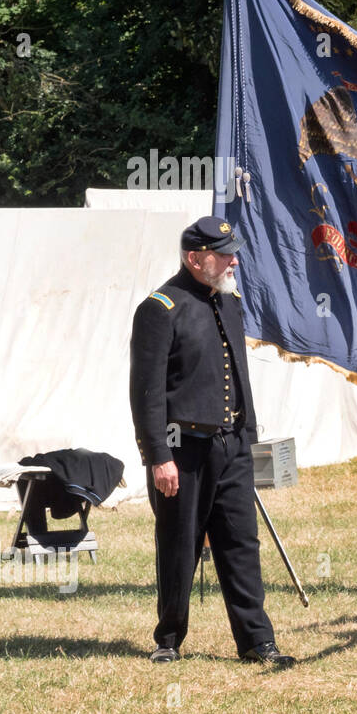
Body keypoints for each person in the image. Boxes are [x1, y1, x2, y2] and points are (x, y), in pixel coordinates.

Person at [129, 216, 294, 666]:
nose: (232, 259)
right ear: (194, 258)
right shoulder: (159, 308)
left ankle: (258, 643)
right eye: (223, 253)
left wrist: (251, 442)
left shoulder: (229, 301)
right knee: (179, 544)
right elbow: (145, 393)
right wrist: (158, 457)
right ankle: (168, 639)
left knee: (241, 544)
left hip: (233, 446)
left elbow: (239, 378)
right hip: (183, 451)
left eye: (231, 251)